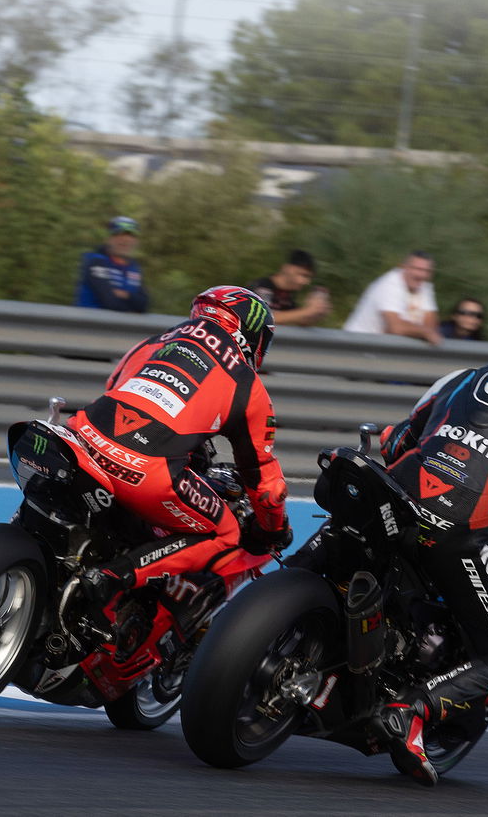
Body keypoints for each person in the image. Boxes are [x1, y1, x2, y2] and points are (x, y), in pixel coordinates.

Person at [321, 321, 488, 786]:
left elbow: (396, 443)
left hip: (393, 496)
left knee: (331, 546)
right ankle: (410, 711)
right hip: (458, 532)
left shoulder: (458, 378)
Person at [68, 285, 293, 609]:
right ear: (252, 334)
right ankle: (114, 577)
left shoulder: (154, 342)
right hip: (145, 472)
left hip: (80, 435)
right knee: (223, 534)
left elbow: (114, 386)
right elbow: (264, 482)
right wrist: (274, 529)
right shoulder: (246, 383)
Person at [342, 251, 442, 346]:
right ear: (404, 267)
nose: (421, 275)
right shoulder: (390, 284)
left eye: (426, 271)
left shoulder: (424, 287)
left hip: (381, 348)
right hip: (355, 345)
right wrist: (423, 331)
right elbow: (396, 328)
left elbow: (431, 327)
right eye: (417, 269)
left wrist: (417, 330)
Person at [75, 215, 148, 312]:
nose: (125, 240)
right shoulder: (96, 262)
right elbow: (110, 302)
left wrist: (125, 295)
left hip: (119, 322)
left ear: (136, 241)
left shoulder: (134, 268)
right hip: (90, 321)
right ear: (109, 239)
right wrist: (133, 301)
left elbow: (144, 304)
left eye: (131, 235)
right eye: (119, 234)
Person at [252, 249, 330, 326]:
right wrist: (308, 311)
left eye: (309, 277)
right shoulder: (262, 287)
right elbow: (264, 317)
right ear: (287, 268)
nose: (306, 282)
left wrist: (317, 312)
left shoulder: (287, 294)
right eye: (303, 275)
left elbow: (296, 319)